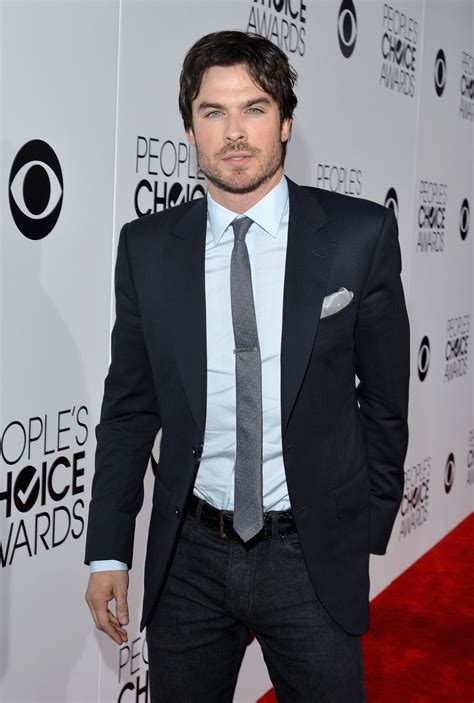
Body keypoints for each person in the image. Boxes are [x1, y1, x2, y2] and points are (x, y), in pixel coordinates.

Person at [85, 30, 410, 702]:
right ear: (189, 129)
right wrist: (111, 548)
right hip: (189, 557)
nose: (235, 132)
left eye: (255, 108)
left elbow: (384, 401)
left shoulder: (358, 236)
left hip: (310, 553)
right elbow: (128, 410)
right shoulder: (146, 249)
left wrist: (363, 527)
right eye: (213, 112)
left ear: (286, 121)